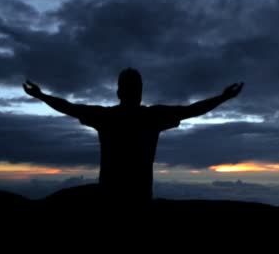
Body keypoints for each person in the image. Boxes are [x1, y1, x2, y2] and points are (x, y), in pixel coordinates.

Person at [23, 68, 243, 204]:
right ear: (140, 92)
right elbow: (191, 110)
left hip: (109, 196)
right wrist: (223, 98)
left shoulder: (106, 117)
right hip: (139, 197)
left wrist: (41, 95)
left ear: (119, 92)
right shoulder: (152, 117)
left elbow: (68, 107)